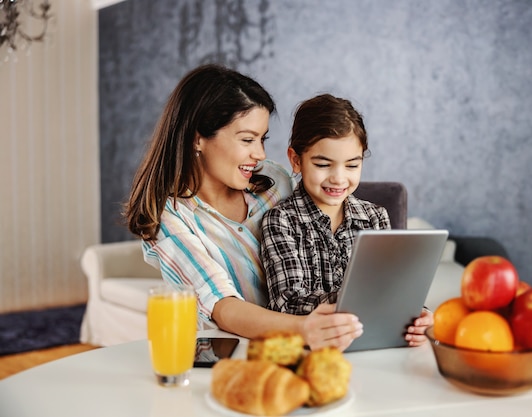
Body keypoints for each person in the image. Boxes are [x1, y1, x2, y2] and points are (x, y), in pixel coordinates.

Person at [124, 64, 363, 351]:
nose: (260, 154)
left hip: (316, 346)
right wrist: (302, 328)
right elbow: (222, 305)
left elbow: (334, 220)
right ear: (198, 137)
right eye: (247, 139)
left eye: (262, 139)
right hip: (237, 352)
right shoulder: (170, 216)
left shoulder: (275, 181)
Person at [261, 94, 433, 347]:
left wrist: (416, 313)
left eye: (352, 165)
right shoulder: (280, 220)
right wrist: (360, 302)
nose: (339, 179)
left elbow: (395, 287)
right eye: (323, 164)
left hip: (376, 346)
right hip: (314, 350)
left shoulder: (375, 217)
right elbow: (287, 303)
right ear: (296, 160)